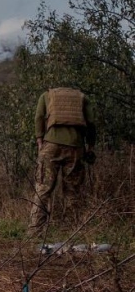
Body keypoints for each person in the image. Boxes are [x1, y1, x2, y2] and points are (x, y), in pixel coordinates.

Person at [27, 86, 96, 237]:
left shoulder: (46, 95)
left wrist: (40, 142)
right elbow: (91, 123)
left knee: (43, 188)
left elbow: (38, 117)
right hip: (76, 147)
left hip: (51, 146)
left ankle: (35, 231)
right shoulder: (83, 97)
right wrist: (90, 147)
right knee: (72, 191)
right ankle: (71, 232)